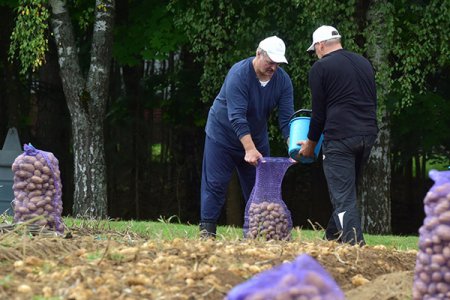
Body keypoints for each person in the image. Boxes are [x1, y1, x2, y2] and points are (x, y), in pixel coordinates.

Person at [199, 36, 294, 238]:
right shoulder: (239, 74)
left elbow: (286, 120)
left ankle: (259, 235)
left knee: (260, 188)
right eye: (270, 62)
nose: (274, 68)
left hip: (257, 140)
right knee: (215, 185)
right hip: (222, 136)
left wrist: (292, 146)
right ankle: (207, 233)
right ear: (258, 53)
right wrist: (249, 149)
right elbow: (237, 117)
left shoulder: (283, 81)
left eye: (277, 63)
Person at [298, 25, 378, 246]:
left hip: (340, 138)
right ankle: (330, 241)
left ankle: (356, 248)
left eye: (315, 49)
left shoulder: (320, 68)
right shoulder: (364, 63)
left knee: (343, 197)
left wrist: (310, 145)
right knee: (346, 192)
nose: (316, 53)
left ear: (321, 45)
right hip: (368, 134)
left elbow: (319, 114)